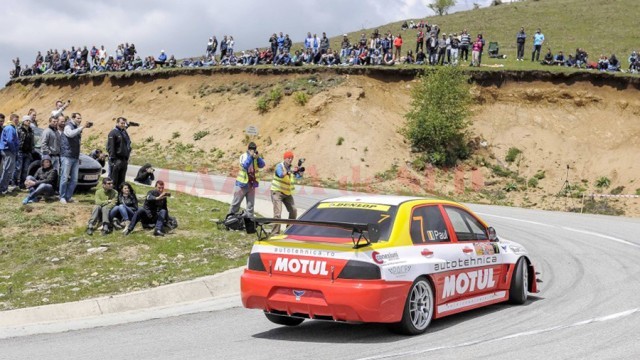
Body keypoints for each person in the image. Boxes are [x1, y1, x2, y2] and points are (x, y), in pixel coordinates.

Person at [60, 112, 92, 204]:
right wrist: (82, 127)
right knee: (64, 177)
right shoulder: (67, 126)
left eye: (80, 118)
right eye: (78, 118)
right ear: (72, 118)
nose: (80, 120)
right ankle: (62, 196)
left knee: (74, 179)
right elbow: (70, 134)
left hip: (75, 156)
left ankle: (68, 197)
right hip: (67, 156)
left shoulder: (76, 127)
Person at [227, 142, 265, 219]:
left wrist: (258, 158)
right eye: (252, 149)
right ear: (248, 149)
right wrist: (250, 157)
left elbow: (262, 165)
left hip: (251, 184)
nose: (253, 151)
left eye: (254, 150)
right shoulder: (243, 156)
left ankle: (249, 223)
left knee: (250, 206)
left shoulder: (255, 157)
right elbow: (245, 166)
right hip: (242, 184)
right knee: (236, 203)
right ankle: (230, 220)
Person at [270, 151, 298, 235]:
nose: (290, 159)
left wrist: (299, 172)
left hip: (287, 193)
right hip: (277, 191)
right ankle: (275, 233)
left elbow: (298, 177)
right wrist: (289, 171)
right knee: (278, 213)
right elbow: (280, 174)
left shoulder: (291, 168)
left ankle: (289, 231)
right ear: (284, 158)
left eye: (291, 158)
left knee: (293, 210)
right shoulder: (279, 166)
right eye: (288, 158)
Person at [106, 117, 131, 190]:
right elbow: (111, 147)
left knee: (122, 180)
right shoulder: (113, 132)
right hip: (117, 159)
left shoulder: (124, 132)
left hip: (124, 160)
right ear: (117, 123)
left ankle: (120, 196)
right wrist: (113, 159)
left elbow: (128, 144)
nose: (123, 125)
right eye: (121, 123)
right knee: (114, 180)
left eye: (124, 123)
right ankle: (113, 196)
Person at [0, 114, 20, 195]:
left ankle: (4, 188)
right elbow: (10, 141)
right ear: (11, 119)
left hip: (8, 151)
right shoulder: (10, 128)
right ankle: (2, 188)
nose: (17, 121)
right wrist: (14, 150)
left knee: (7, 170)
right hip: (8, 151)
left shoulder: (11, 127)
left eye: (18, 120)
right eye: (15, 120)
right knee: (7, 171)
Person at [14, 116, 34, 189]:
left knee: (25, 169)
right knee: (18, 168)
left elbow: (32, 141)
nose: (28, 122)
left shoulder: (31, 130)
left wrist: (32, 149)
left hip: (28, 152)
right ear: (23, 121)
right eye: (27, 120)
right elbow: (16, 140)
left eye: (29, 121)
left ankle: (22, 184)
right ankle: (15, 183)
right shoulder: (19, 129)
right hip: (20, 151)